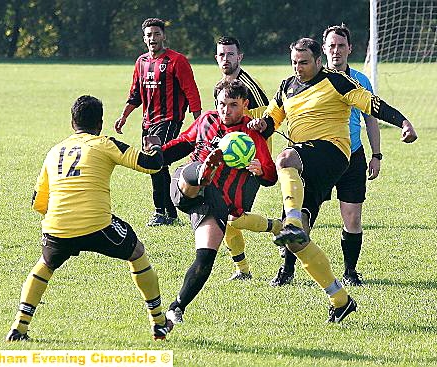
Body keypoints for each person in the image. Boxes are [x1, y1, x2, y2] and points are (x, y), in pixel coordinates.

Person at [249, 38, 417, 322]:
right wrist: (259, 125)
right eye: (294, 63)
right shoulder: (287, 86)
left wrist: (404, 122)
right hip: (307, 161)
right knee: (299, 235)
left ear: (318, 60)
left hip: (334, 152)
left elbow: (373, 105)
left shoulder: (338, 82)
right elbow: (271, 121)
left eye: (304, 62)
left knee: (286, 159)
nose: (299, 68)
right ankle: (340, 300)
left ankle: (304, 233)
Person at [6, 95, 173, 341]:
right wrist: (155, 146)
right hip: (98, 225)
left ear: (72, 122)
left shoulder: (55, 151)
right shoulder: (105, 143)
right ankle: (158, 322)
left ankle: (19, 327)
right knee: (136, 252)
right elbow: (152, 165)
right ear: (100, 124)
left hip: (57, 226)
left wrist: (63, 220)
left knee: (45, 264)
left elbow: (38, 203)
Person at [272, 25, 383, 287]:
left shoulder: (358, 81)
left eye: (341, 46)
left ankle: (350, 271)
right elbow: (275, 115)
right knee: (301, 214)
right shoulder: (306, 83)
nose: (336, 50)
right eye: (331, 46)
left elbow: (371, 119)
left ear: (349, 49)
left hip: (351, 155)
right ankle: (287, 269)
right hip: (316, 154)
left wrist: (376, 154)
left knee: (352, 216)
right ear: (323, 50)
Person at [161, 80, 277, 324]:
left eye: (233, 105)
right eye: (222, 104)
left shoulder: (252, 134)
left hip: (215, 203)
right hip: (187, 183)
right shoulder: (206, 120)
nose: (226, 110)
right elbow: (182, 143)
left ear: (245, 105)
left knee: (205, 259)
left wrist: (259, 169)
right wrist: (156, 154)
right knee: (192, 176)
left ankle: (176, 307)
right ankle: (202, 172)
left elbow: (271, 175)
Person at [115, 17, 202, 227]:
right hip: (148, 123)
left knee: (158, 162)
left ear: (163, 36)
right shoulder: (141, 62)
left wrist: (199, 122)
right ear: (144, 39)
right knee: (155, 166)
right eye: (148, 35)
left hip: (170, 120)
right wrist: (124, 116)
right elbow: (135, 93)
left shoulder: (176, 61)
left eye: (156, 34)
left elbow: (191, 91)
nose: (152, 38)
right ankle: (170, 213)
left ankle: (161, 211)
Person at [214, 36, 281, 281]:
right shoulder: (221, 87)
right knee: (226, 218)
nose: (225, 59)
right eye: (221, 54)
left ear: (239, 57)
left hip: (251, 164)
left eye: (230, 54)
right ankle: (242, 270)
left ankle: (278, 228)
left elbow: (267, 124)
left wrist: (260, 164)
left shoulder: (249, 87)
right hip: (228, 161)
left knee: (234, 218)